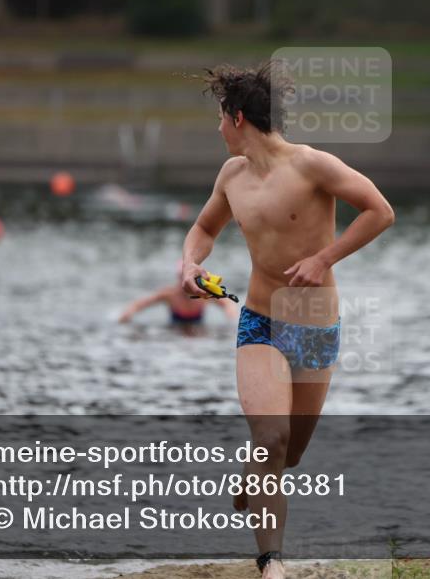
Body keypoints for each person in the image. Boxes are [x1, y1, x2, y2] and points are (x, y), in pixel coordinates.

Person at [180, 62, 394, 579]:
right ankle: (271, 561)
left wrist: (323, 259)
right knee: (272, 437)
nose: (218, 129)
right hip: (259, 320)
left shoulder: (313, 165)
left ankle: (255, 475)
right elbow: (204, 228)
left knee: (289, 453)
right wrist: (190, 263)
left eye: (220, 118)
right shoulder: (231, 176)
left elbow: (380, 211)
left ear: (237, 118)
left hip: (315, 324)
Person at [118, 259, 238, 326]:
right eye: (182, 277)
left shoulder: (204, 294)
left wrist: (231, 314)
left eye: (190, 278)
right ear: (178, 277)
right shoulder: (170, 294)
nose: (186, 281)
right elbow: (142, 303)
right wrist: (129, 312)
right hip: (175, 331)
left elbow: (227, 303)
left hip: (199, 333)